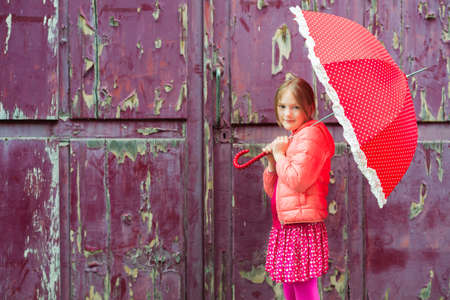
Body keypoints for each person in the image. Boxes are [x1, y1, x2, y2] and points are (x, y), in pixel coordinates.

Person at [262, 76, 335, 300]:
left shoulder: (312, 135)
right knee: (290, 289)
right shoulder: (295, 137)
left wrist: (280, 154)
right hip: (286, 225)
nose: (287, 113)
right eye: (282, 106)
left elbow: (298, 180)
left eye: (295, 107)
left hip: (301, 228)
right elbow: (273, 190)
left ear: (309, 109)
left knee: (303, 290)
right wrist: (273, 163)